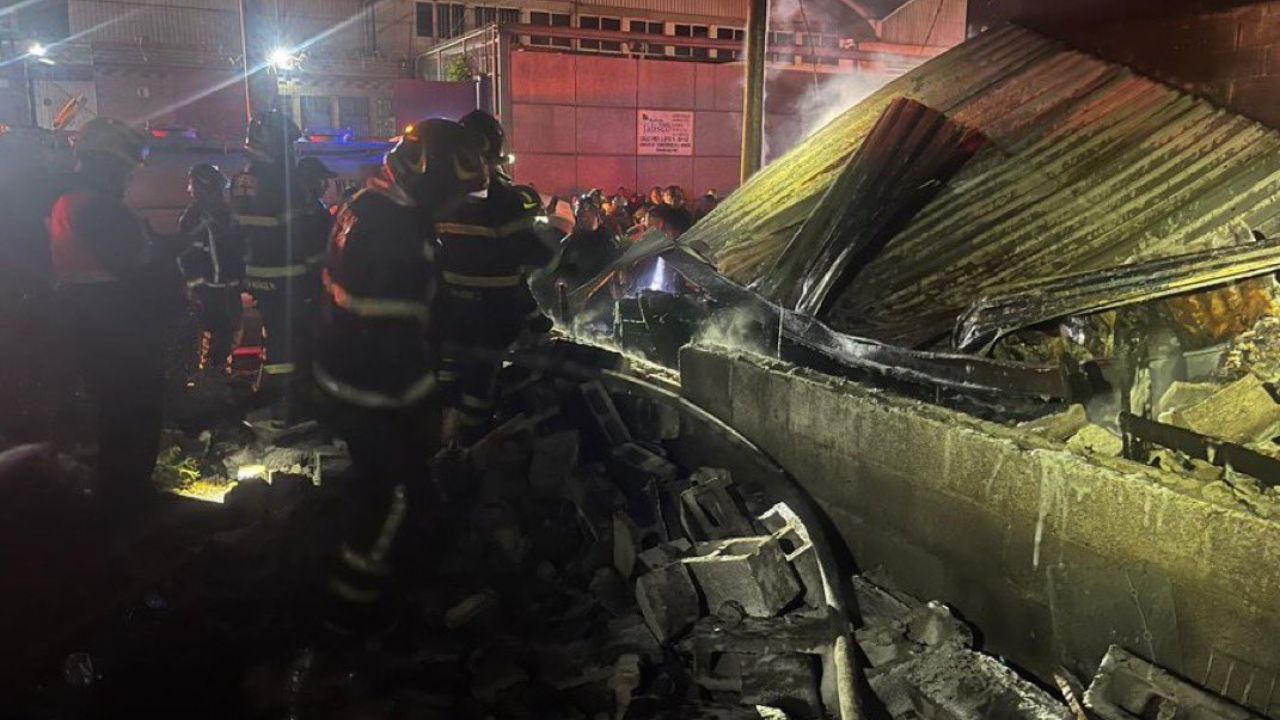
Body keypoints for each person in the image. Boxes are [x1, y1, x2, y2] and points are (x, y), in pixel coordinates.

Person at [313, 118, 489, 636]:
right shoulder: (396, 232)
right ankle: (354, 612)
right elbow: (393, 338)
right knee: (394, 497)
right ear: (429, 178)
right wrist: (427, 406)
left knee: (385, 489)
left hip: (344, 372)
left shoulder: (369, 204)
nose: (457, 204)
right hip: (374, 390)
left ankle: (388, 586)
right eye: (453, 192)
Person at [48, 117, 177, 511]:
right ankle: (128, 501)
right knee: (132, 413)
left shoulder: (71, 202)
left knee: (118, 414)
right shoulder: (96, 207)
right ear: (105, 163)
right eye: (123, 169)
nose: (126, 178)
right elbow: (137, 265)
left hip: (98, 324)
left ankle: (123, 495)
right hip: (117, 327)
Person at [433, 109, 557, 444]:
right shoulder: (508, 201)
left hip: (446, 312)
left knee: (448, 381)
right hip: (490, 317)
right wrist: (538, 321)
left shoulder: (438, 198)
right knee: (478, 386)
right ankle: (469, 453)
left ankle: (442, 446)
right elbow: (525, 263)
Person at [232, 109, 324, 423]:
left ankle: (276, 404)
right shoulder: (284, 182)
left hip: (258, 274)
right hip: (288, 274)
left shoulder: (244, 177)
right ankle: (287, 409)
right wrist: (317, 272)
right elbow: (302, 234)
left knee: (277, 339)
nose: (292, 152)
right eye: (288, 145)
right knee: (292, 341)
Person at [177, 163, 244, 383]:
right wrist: (196, 287)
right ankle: (208, 380)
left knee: (229, 331)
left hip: (228, 285)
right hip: (208, 288)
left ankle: (219, 375)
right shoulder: (193, 217)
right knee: (211, 332)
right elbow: (188, 256)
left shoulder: (226, 214)